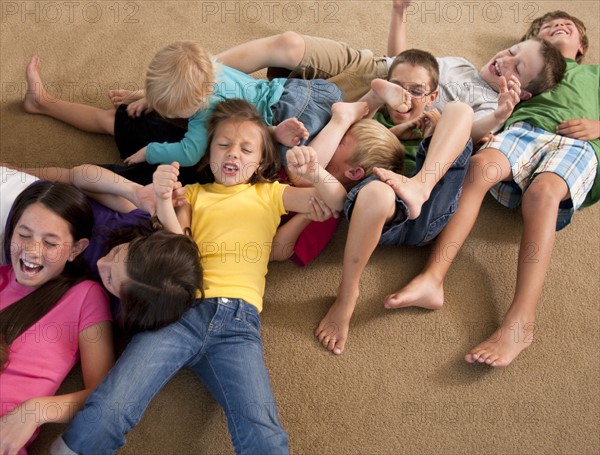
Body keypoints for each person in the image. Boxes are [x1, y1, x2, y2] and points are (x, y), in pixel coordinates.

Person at [50, 99, 348, 455]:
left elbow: (335, 200)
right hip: (180, 307)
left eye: (245, 148)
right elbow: (178, 243)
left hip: (239, 324)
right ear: (209, 153)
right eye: (223, 145)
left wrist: (315, 172)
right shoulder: (192, 193)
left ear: (262, 162)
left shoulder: (270, 194)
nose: (232, 153)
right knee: (114, 405)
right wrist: (163, 199)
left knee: (262, 429)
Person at [382, 10, 599, 367]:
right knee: (479, 168)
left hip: (575, 145)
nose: (559, 26)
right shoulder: (524, 68)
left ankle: (520, 323)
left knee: (542, 195)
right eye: (548, 26)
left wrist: (597, 124)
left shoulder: (593, 73)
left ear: (582, 47)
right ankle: (432, 279)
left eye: (569, 27)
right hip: (522, 130)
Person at [314, 48, 476, 354]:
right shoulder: (376, 126)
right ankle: (347, 295)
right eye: (398, 88)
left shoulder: (436, 121)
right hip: (385, 213)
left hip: (428, 201)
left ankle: (420, 186)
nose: (406, 97)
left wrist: (435, 132)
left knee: (461, 111)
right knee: (375, 191)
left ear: (432, 96)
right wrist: (390, 119)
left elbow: (470, 129)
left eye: (416, 91)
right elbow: (357, 129)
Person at [23, 40, 343, 185]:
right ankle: (42, 102)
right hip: (301, 94)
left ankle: (43, 103)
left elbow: (189, 154)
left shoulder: (210, 116)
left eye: (171, 109)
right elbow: (181, 80)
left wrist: (150, 152)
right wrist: (147, 96)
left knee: (110, 123)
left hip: (280, 127)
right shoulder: (212, 68)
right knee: (111, 121)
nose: (167, 113)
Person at [214, 2, 566, 118]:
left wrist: (501, 115)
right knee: (288, 43)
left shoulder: (491, 105)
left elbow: (469, 131)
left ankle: (203, 96)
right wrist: (399, 14)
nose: (506, 60)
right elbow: (401, 58)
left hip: (378, 95)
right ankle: (203, 69)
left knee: (273, 100)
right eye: (512, 52)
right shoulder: (460, 61)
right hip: (375, 62)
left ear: (522, 94)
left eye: (518, 68)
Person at [0, 165, 203, 332]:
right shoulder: (138, 224)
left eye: (109, 279)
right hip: (24, 197)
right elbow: (78, 176)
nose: (101, 263)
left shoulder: (119, 306)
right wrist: (134, 192)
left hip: (12, 252)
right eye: (116, 252)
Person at [0, 182, 114, 455]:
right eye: (24, 235)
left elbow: (104, 392)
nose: (33, 251)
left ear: (76, 249)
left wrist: (36, 410)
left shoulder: (85, 296)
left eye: (50, 243)